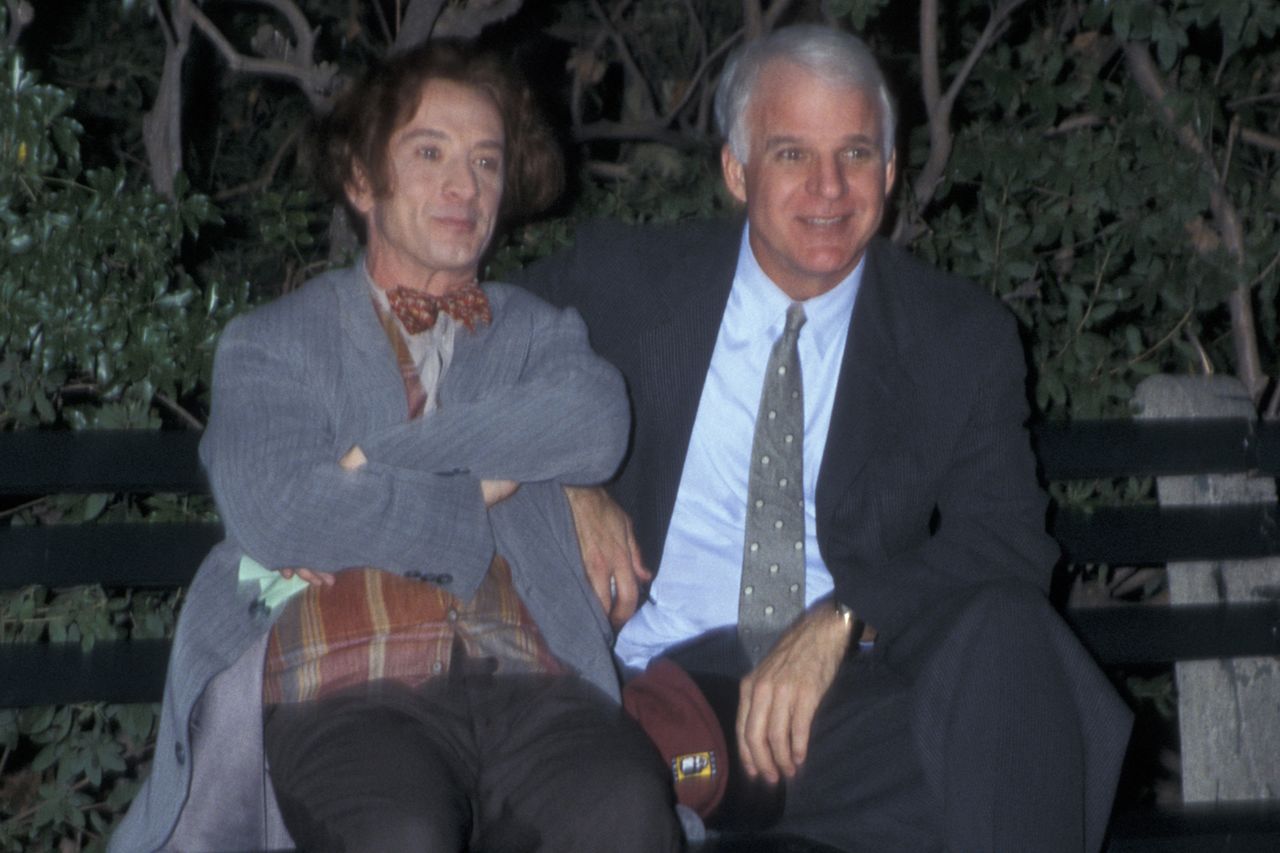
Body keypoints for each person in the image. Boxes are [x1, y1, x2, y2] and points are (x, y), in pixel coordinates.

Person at [520, 24, 1132, 853]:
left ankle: (691, 781)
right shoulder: (626, 282)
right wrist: (566, 477)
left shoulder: (957, 337)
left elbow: (1009, 543)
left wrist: (845, 615)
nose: (828, 188)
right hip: (645, 676)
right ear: (737, 171)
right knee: (990, 770)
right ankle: (666, 765)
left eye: (853, 154)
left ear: (888, 171)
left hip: (831, 707)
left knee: (1013, 652)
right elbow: (475, 338)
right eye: (791, 155)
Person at [110, 41, 681, 853]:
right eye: (429, 152)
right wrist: (479, 485)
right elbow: (277, 509)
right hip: (345, 682)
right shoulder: (275, 341)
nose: (466, 184)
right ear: (360, 180)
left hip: (530, 679)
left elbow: (595, 424)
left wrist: (369, 467)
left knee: (625, 806)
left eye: (487, 161)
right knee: (399, 834)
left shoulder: (536, 329)